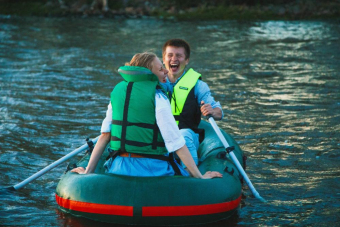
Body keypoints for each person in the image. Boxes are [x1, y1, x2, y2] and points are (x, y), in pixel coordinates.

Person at [72, 52, 222, 179]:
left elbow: (105, 136)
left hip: (119, 167)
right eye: (160, 68)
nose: (165, 71)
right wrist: (200, 177)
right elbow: (176, 143)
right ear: (148, 74)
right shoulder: (158, 97)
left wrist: (87, 172)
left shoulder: (117, 92)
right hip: (153, 169)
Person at [161, 39, 223, 167]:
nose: (174, 59)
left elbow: (219, 112)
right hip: (162, 136)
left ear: (187, 60)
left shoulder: (198, 85)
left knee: (183, 135)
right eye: (170, 55)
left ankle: (191, 176)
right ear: (163, 59)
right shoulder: (155, 83)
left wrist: (211, 111)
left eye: (179, 55)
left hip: (187, 135)